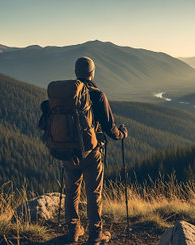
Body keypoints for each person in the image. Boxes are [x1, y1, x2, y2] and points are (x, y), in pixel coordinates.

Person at [64, 56, 127, 244]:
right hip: (91, 153)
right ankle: (95, 233)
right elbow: (110, 129)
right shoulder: (97, 95)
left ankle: (73, 230)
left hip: (68, 151)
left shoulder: (67, 94)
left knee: (72, 191)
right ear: (92, 73)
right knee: (93, 194)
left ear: (76, 73)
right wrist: (122, 134)